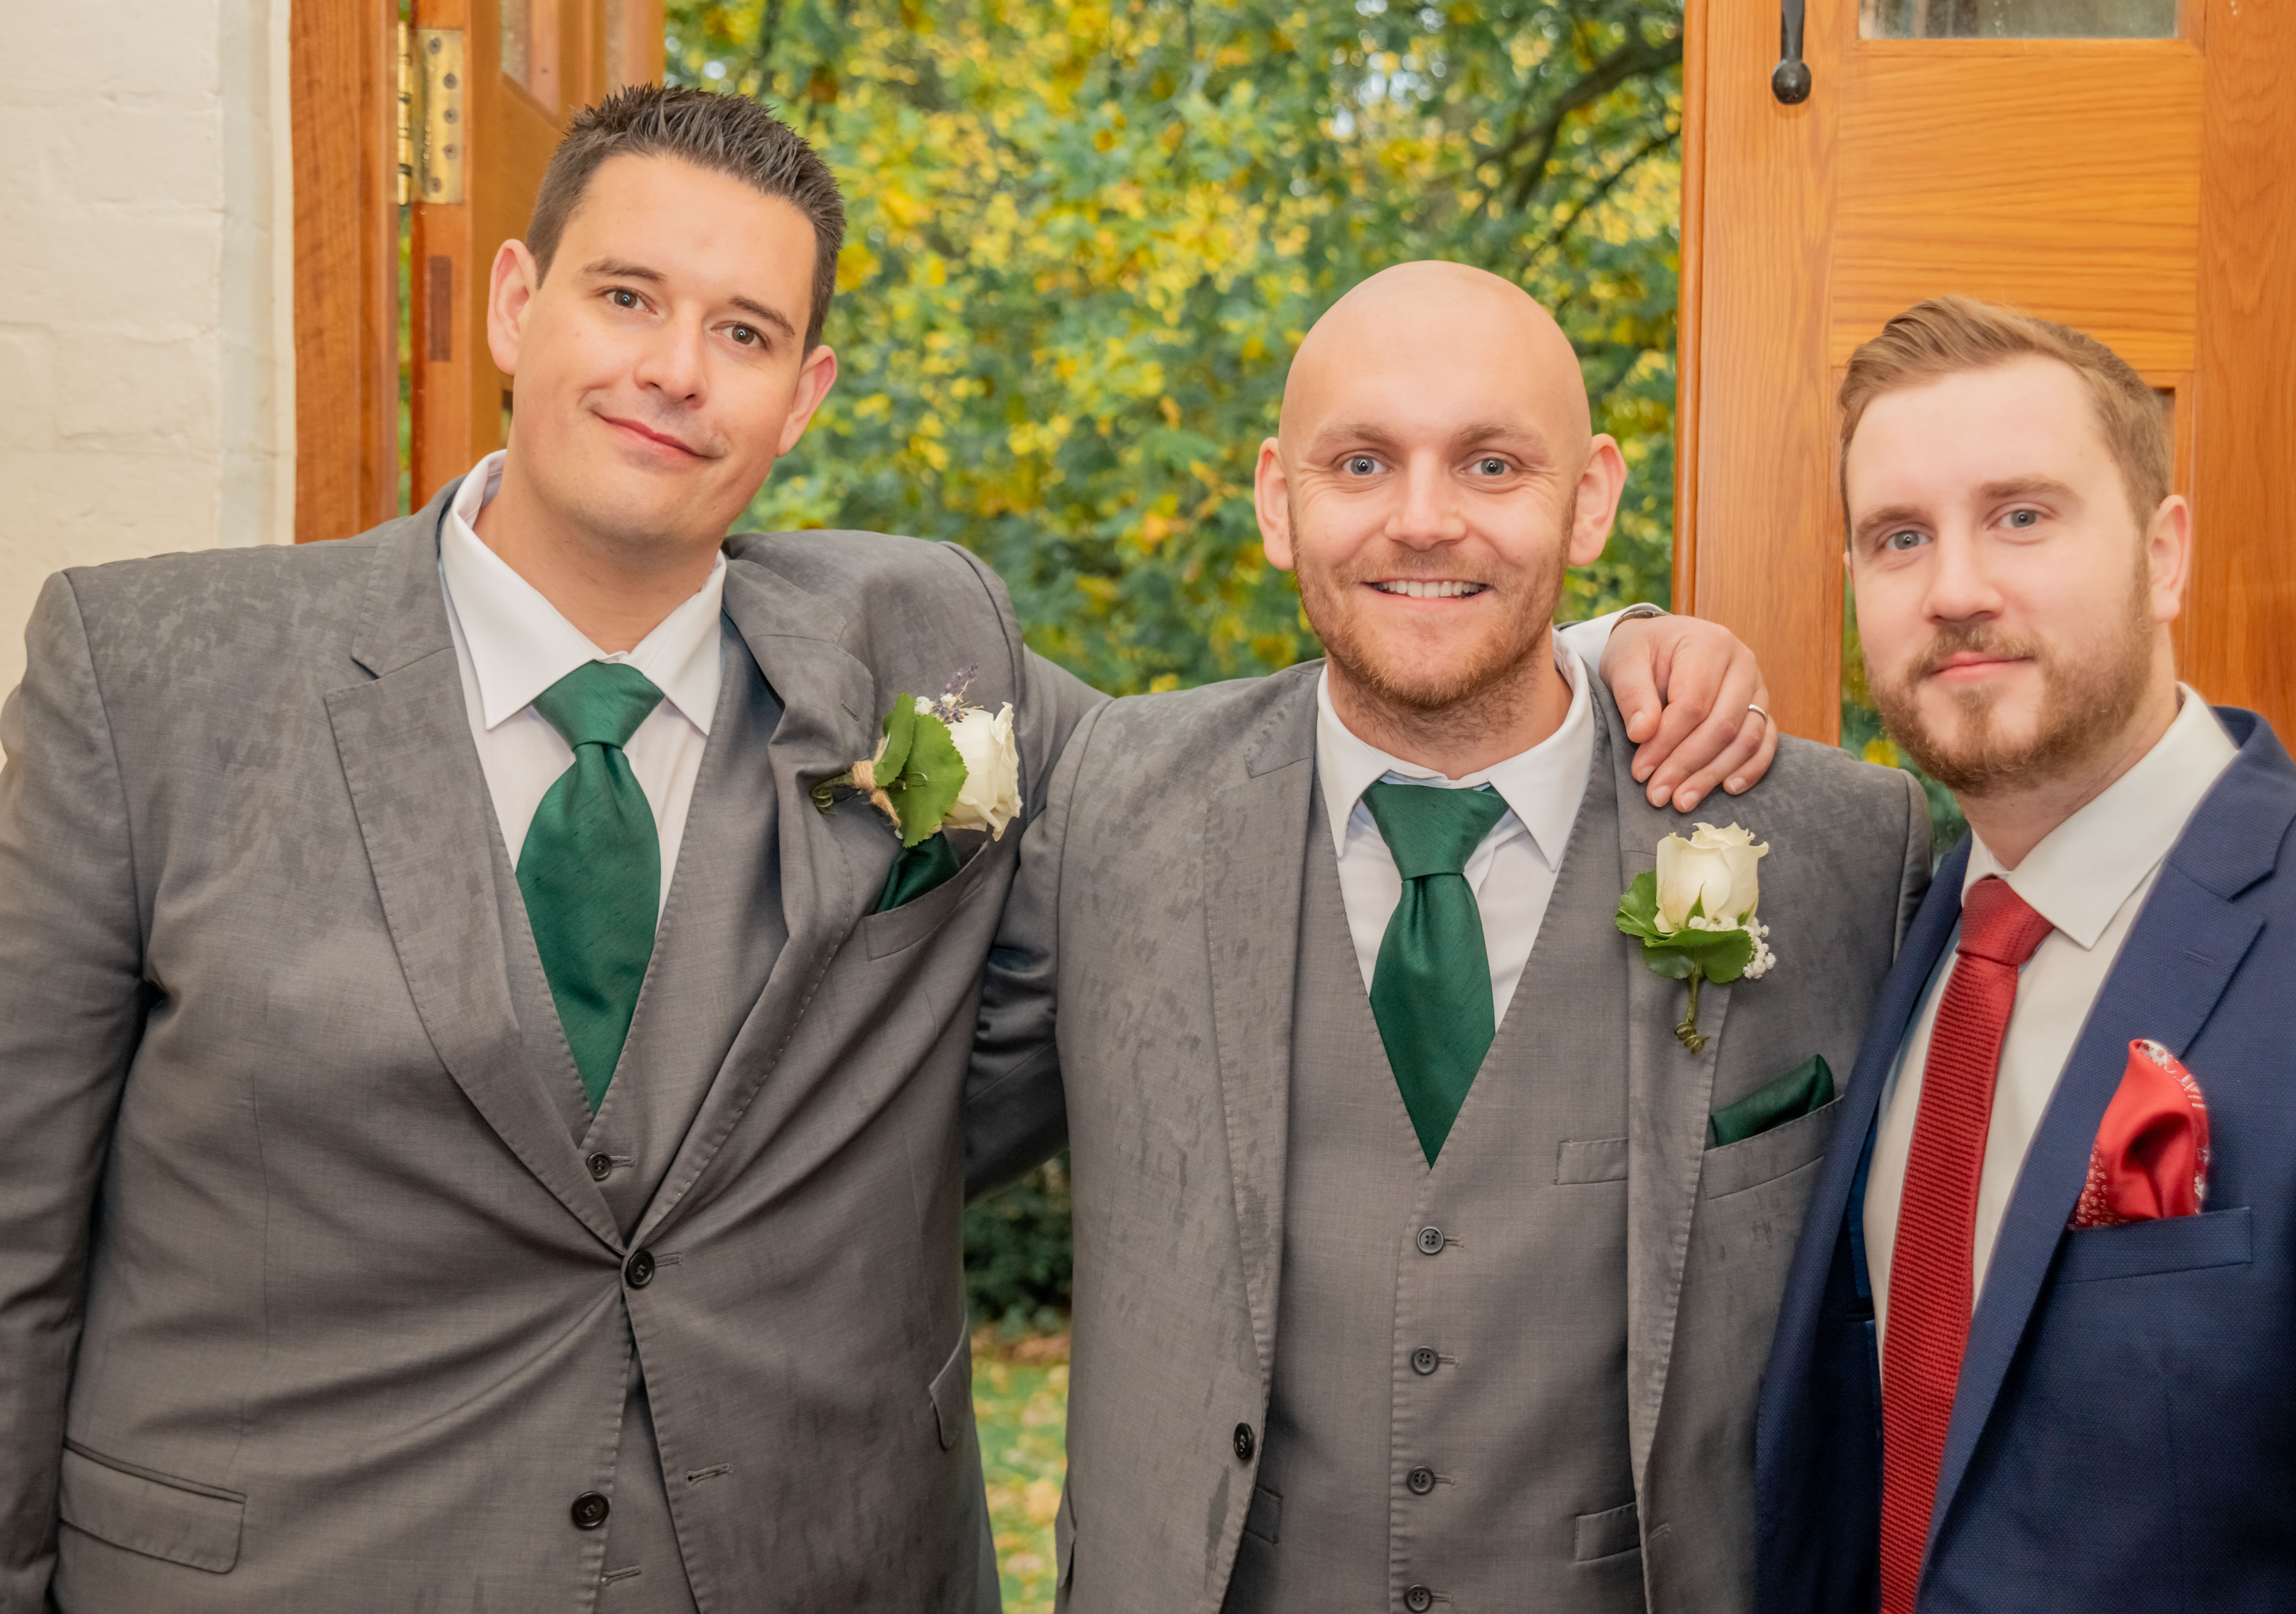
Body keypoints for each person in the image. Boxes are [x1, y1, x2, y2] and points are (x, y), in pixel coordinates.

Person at [0, 89, 1765, 1612]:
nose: (675, 371)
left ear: (804, 394)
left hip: (810, 1564)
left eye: (745, 333)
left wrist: (1592, 651)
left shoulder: (924, 642)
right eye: (628, 297)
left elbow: (1254, 774)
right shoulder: (152, 675)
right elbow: (16, 1235)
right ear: (521, 306)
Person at [965, 261, 1931, 1614]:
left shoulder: (1843, 853)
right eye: (1361, 463)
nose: (1424, 521)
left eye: (1492, 465)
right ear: (1276, 501)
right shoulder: (1115, 802)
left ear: (1591, 498)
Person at [1755, 297, 2296, 1613]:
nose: (1957, 590)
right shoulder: (1900, 932)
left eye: (2022, 516)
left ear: (2163, 556)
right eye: (1901, 538)